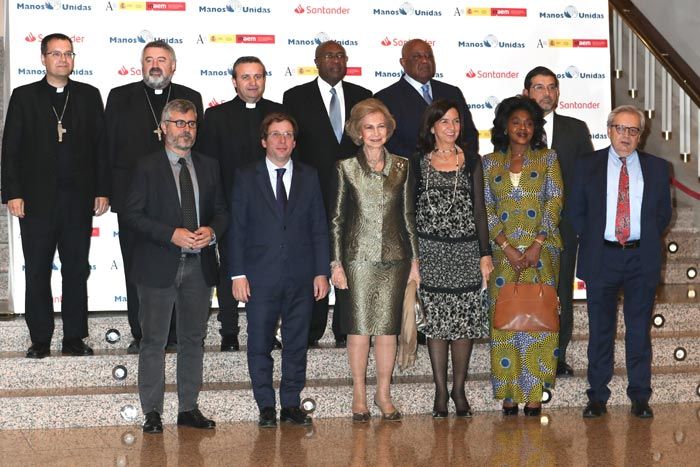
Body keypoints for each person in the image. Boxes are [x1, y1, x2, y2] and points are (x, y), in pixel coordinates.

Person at [1, 33, 109, 359]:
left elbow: (100, 148)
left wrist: (103, 190)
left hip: (78, 202)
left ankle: (74, 338)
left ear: (73, 59)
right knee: (36, 270)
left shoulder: (89, 96)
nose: (63, 59)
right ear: (43, 58)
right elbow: (11, 150)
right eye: (56, 54)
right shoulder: (24, 96)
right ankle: (40, 339)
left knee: (76, 269)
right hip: (36, 203)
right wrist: (13, 193)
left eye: (68, 54)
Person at [124, 99, 228, 434]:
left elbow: (223, 212)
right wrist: (172, 234)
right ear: (164, 128)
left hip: (199, 267)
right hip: (158, 266)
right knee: (153, 341)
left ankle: (188, 409)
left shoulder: (210, 165)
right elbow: (132, 215)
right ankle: (152, 412)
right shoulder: (145, 166)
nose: (186, 130)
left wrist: (212, 231)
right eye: (179, 123)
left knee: (192, 340)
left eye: (191, 123)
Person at [228, 113, 330, 428]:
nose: (282, 140)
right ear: (264, 141)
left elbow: (318, 227)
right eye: (275, 134)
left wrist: (320, 271)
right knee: (259, 342)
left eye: (288, 134)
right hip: (259, 277)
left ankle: (289, 403)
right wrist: (237, 274)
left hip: (301, 275)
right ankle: (265, 405)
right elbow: (237, 229)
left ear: (295, 142)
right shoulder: (246, 176)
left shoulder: (309, 176)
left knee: (296, 342)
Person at [570, 105, 671, 419]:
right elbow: (576, 211)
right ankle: (597, 396)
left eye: (632, 130)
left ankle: (640, 396)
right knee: (601, 330)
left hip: (642, 258)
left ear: (640, 135)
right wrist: (596, 239)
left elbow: (663, 215)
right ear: (609, 129)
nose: (625, 135)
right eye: (620, 128)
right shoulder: (587, 165)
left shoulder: (657, 167)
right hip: (603, 257)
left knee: (639, 332)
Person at [105, 40, 204, 354]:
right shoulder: (120, 97)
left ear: (173, 65)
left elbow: (197, 149)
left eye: (162, 59)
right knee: (137, 267)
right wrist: (103, 191)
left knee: (180, 267)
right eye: (149, 59)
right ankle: (142, 332)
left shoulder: (191, 98)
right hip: (133, 200)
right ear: (141, 64)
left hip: (178, 195)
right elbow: (106, 147)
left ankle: (174, 332)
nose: (155, 65)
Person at [330, 98, 420, 422]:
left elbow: (408, 216)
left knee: (387, 331)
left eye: (381, 126)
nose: (376, 132)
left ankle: (383, 393)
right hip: (356, 260)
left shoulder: (403, 166)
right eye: (369, 127)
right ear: (357, 130)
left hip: (396, 259)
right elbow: (338, 219)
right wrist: (336, 264)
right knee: (358, 330)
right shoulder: (346, 168)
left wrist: (414, 261)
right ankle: (358, 393)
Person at [283, 40, 372, 349]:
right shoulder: (294, 97)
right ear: (316, 61)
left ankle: (345, 327)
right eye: (328, 56)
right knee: (314, 260)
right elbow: (290, 147)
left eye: (340, 55)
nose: (335, 60)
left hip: (354, 194)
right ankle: (312, 327)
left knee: (350, 257)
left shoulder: (363, 96)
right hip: (311, 193)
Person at [483, 95, 563, 416]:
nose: (523, 128)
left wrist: (537, 243)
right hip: (503, 257)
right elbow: (486, 208)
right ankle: (508, 393)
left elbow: (554, 200)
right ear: (505, 125)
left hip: (541, 254)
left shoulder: (548, 159)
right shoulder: (489, 163)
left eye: (529, 123)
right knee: (506, 321)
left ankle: (534, 394)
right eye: (516, 122)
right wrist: (505, 246)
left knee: (538, 320)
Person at [197, 56, 284, 352]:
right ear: (234, 81)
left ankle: (266, 330)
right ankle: (229, 331)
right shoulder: (216, 116)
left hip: (271, 208)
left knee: (267, 271)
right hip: (229, 207)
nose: (252, 83)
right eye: (245, 77)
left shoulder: (278, 115)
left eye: (258, 76)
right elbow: (209, 166)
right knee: (229, 269)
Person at [414, 100, 493, 418]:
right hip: (431, 253)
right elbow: (409, 211)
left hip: (465, 252)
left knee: (462, 324)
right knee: (436, 325)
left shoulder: (472, 160)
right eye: (444, 122)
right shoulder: (418, 161)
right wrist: (413, 258)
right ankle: (439, 392)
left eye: (456, 121)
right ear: (432, 126)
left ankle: (459, 390)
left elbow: (479, 210)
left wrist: (484, 254)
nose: (451, 127)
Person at [522, 66, 594, 377]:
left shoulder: (576, 129)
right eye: (539, 87)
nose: (546, 93)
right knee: (525, 291)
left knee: (560, 291)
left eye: (551, 87)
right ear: (526, 93)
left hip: (563, 227)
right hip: (521, 226)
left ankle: (557, 355)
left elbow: (588, 179)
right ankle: (525, 354)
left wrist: (580, 223)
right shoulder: (514, 128)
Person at [374, 39, 478, 158]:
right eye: (416, 57)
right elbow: (389, 143)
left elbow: (469, 134)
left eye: (429, 56)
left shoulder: (452, 92)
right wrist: (427, 163)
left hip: (456, 169)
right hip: (411, 171)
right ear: (403, 62)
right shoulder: (385, 98)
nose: (424, 60)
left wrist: (460, 160)